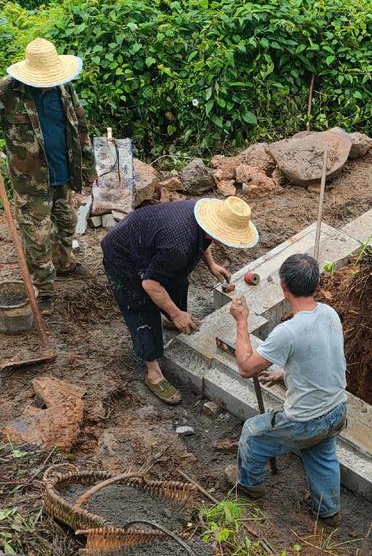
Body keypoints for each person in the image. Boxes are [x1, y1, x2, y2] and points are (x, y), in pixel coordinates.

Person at [102, 195, 259, 405]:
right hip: (123, 254)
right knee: (141, 306)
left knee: (177, 281)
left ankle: (169, 320)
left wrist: (211, 265)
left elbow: (203, 240)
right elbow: (150, 284)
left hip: (152, 243)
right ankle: (153, 372)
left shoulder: (204, 215)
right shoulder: (177, 246)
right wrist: (176, 314)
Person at [227, 252, 347, 525]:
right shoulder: (328, 313)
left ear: (283, 287)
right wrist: (286, 372)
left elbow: (246, 368)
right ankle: (329, 510)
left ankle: (249, 487)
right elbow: (321, 356)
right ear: (315, 284)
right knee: (322, 454)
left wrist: (242, 321)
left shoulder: (288, 332)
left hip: (306, 421)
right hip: (337, 410)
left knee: (253, 433)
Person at [1, 37, 94, 311]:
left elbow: (80, 126)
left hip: (62, 173)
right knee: (37, 235)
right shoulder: (8, 92)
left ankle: (63, 263)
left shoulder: (64, 89)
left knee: (67, 221)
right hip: (30, 181)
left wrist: (88, 166)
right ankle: (44, 289)